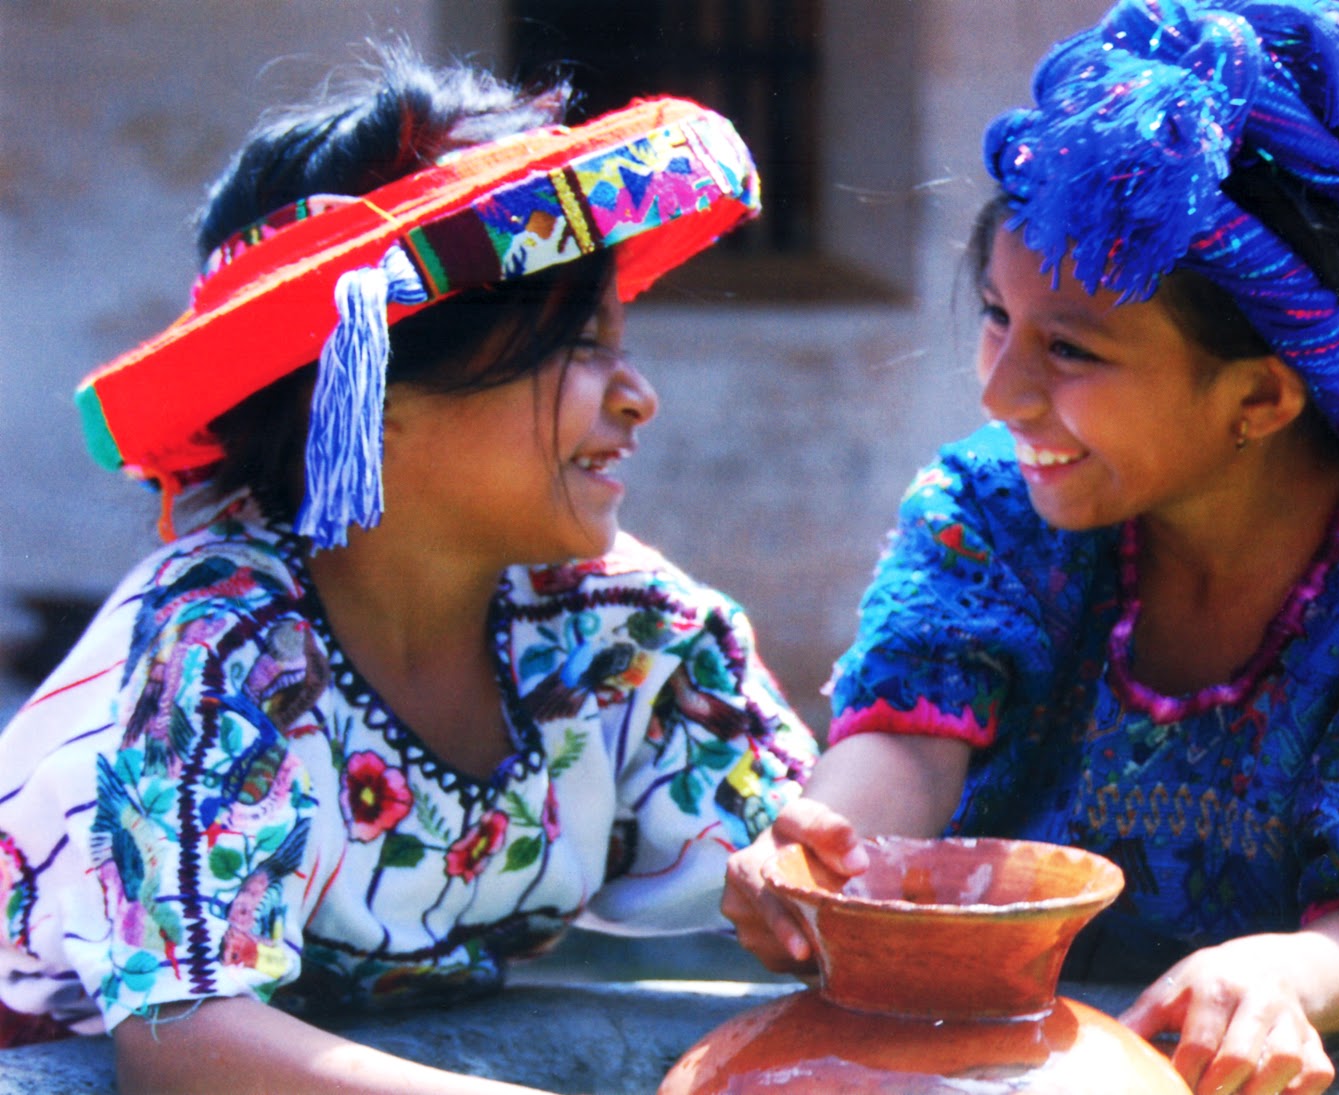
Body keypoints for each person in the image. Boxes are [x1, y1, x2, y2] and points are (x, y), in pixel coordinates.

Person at [723, 1, 1339, 1093]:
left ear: (1259, 394)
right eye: (993, 317)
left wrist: (1288, 976)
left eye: (1069, 349)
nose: (998, 389)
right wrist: (827, 852)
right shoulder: (990, 504)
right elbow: (911, 740)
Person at [0, 47, 815, 1093]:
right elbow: (187, 1046)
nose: (636, 394)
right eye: (579, 345)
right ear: (371, 393)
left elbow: (804, 863)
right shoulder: (221, 651)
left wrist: (806, 874)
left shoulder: (621, 633)